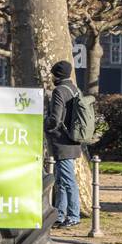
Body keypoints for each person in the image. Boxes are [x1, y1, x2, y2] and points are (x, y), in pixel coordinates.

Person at [45, 60, 83, 228]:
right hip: (72, 141)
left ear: (57, 75)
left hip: (62, 143)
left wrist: (43, 123)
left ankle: (73, 215)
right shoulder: (75, 89)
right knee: (61, 180)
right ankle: (59, 215)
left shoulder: (59, 91)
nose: (51, 77)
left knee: (68, 181)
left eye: (53, 74)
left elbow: (55, 119)